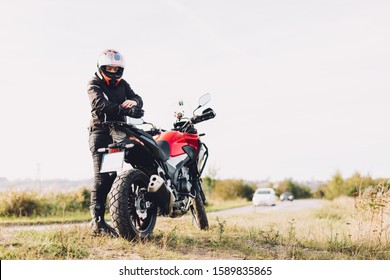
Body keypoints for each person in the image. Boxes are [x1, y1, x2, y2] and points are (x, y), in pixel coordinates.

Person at [87, 49, 144, 235]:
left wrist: (134, 104)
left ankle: (134, 213)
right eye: (109, 68)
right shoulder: (93, 83)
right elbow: (99, 105)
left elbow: (137, 98)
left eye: (116, 68)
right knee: (103, 178)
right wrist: (125, 109)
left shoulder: (123, 84)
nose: (112, 71)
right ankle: (97, 222)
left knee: (119, 175)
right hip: (101, 133)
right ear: (101, 67)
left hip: (120, 133)